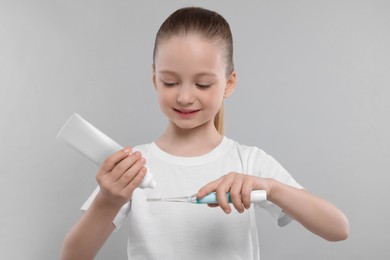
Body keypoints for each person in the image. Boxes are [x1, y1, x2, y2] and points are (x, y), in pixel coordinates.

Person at [60, 6, 349, 260]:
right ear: (154, 80)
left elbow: (338, 228)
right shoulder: (133, 167)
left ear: (229, 83)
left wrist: (269, 187)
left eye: (202, 85)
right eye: (170, 82)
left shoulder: (248, 163)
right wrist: (107, 202)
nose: (185, 97)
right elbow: (72, 257)